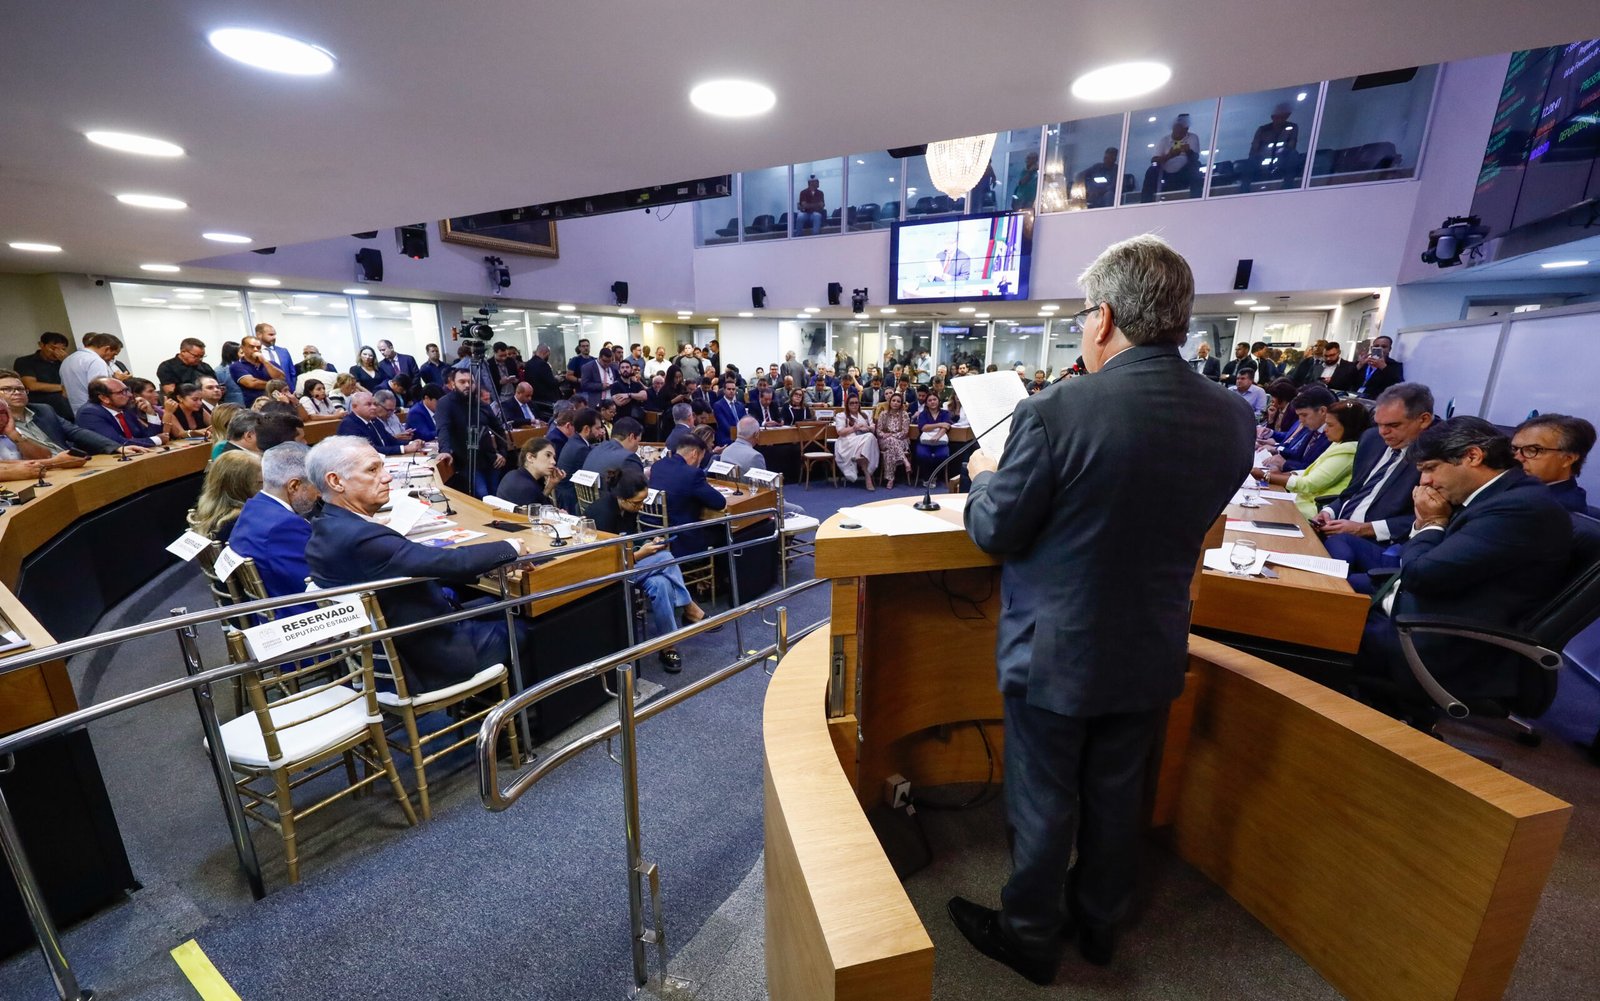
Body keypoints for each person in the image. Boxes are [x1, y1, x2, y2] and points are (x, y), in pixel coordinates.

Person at [949, 234, 1254, 986]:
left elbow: (995, 529)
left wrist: (985, 474)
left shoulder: (1059, 409)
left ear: (1106, 316)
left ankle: (1029, 937)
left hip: (1056, 647)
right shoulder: (1233, 416)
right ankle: (1100, 924)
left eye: (1086, 314)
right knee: (1120, 793)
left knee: (1046, 799)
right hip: (1152, 639)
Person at [1353, 417, 1572, 721]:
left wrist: (1428, 524)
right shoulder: (1495, 496)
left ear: (1472, 456)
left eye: (1431, 468)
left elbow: (1421, 575)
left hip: (1437, 639)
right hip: (1420, 609)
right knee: (1318, 592)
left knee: (1308, 625)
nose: (1425, 482)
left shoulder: (1519, 509)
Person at [303, 436, 529, 693]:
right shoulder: (362, 537)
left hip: (397, 643)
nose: (387, 477)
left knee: (497, 603)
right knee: (530, 625)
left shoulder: (326, 525)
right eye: (372, 470)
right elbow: (450, 561)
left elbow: (419, 564)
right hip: (425, 659)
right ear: (336, 481)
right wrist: (512, 547)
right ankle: (521, 721)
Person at [1314, 382, 1435, 589]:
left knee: (1336, 553)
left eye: (1393, 425)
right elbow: (1354, 491)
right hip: (1337, 529)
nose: (1383, 432)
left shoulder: (1435, 457)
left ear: (1423, 420)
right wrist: (1329, 512)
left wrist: (1365, 529)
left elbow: (1429, 518)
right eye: (1379, 424)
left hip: (1381, 544)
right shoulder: (1371, 439)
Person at [590, 464, 706, 672]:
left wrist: (647, 544)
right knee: (665, 557)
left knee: (661, 584)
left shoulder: (626, 508)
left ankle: (667, 645)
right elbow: (607, 563)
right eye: (638, 502)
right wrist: (640, 554)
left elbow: (629, 541)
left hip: (628, 566)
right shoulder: (603, 515)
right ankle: (689, 607)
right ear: (623, 498)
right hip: (608, 576)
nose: (641, 506)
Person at [228, 442, 319, 614]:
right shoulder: (283, 527)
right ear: (294, 486)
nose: (319, 494)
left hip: (272, 606)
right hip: (298, 616)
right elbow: (316, 582)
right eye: (316, 485)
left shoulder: (253, 507)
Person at [1254, 400, 1371, 517]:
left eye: (1330, 425)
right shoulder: (1339, 443)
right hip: (1301, 501)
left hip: (1311, 510)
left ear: (1348, 426)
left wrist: (1266, 476)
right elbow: (1312, 471)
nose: (1325, 430)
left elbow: (1309, 484)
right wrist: (1288, 474)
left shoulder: (1348, 450)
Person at [0, 369, 124, 455]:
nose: (16, 392)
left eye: (20, 389)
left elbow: (76, 432)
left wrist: (116, 447)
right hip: (36, 471)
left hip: (69, 462)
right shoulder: (2, 423)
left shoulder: (43, 410)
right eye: (7, 389)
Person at [648, 434, 727, 561]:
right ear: (695, 453)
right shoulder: (692, 474)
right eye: (701, 458)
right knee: (724, 530)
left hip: (653, 532)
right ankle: (722, 578)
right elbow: (719, 502)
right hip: (680, 539)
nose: (699, 464)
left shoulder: (658, 466)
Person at [1512, 414, 1594, 513]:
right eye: (1514, 449)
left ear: (1568, 459)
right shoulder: (1523, 487)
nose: (1517, 458)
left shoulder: (1552, 508)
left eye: (1532, 450)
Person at [187, 449, 262, 543]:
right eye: (260, 482)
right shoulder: (243, 521)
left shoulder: (209, 508)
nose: (265, 487)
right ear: (242, 486)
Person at [76, 378, 166, 447]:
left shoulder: (125, 409)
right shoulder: (89, 413)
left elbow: (147, 436)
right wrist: (157, 440)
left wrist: (151, 413)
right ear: (104, 398)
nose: (130, 395)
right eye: (122, 392)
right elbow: (116, 442)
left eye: (127, 390)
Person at [1140, 113, 1204, 202]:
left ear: (1186, 130)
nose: (1178, 134)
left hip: (1184, 173)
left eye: (1182, 131)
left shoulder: (1192, 137)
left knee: (1195, 165)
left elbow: (1195, 158)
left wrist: (1188, 151)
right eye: (1176, 130)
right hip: (1166, 174)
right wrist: (1169, 155)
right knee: (1151, 170)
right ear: (1173, 129)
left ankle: (1197, 198)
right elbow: (1154, 161)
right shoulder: (1164, 140)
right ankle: (1145, 201)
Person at [1238, 102, 1300, 192]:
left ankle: (1288, 184)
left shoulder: (1292, 127)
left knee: (1293, 155)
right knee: (1250, 162)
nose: (1280, 120)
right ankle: (1244, 189)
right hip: (1262, 159)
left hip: (1283, 158)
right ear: (1272, 117)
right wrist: (1261, 155)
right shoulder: (1263, 130)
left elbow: (1291, 145)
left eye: (1283, 116)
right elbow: (1254, 148)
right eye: (1278, 117)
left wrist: (1281, 151)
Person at [338, 391, 423, 457]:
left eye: (374, 404)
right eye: (368, 404)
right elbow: (369, 450)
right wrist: (403, 449)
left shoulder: (374, 420)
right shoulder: (348, 425)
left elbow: (391, 440)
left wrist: (411, 443)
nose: (374, 407)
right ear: (354, 407)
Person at [13, 332, 72, 419]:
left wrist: (68, 361)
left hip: (65, 399)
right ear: (41, 345)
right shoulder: (25, 361)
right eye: (53, 348)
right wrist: (63, 387)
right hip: (40, 400)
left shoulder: (64, 361)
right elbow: (31, 385)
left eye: (62, 349)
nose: (57, 352)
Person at [60, 332, 122, 413]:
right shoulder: (96, 361)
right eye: (113, 354)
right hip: (98, 412)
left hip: (78, 412)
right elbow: (101, 393)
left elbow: (64, 393)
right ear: (106, 349)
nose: (112, 358)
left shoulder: (67, 360)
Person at [555, 411, 604, 511]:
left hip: (564, 493)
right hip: (572, 501)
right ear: (586, 429)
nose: (601, 432)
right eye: (597, 428)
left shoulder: (575, 441)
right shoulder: (580, 449)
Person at [497, 436, 563, 508]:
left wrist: (549, 487)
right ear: (530, 457)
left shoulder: (512, 474)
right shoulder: (527, 488)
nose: (553, 462)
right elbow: (538, 516)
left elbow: (537, 503)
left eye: (553, 457)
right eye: (548, 455)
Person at [833, 394, 879, 488]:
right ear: (847, 405)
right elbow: (840, 432)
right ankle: (867, 475)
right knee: (869, 438)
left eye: (856, 403)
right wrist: (854, 428)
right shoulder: (842, 415)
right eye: (851, 403)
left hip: (864, 439)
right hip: (848, 441)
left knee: (870, 437)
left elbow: (873, 429)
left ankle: (859, 457)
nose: (854, 405)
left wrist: (866, 428)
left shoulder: (865, 414)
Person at [229, 335, 284, 408]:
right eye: (251, 347)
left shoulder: (270, 363)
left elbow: (282, 378)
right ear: (242, 348)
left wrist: (264, 361)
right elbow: (252, 383)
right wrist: (274, 385)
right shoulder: (236, 366)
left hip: (278, 403)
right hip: (256, 406)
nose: (255, 349)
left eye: (258, 347)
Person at [913, 391, 954, 483]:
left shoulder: (945, 413)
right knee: (922, 455)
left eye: (934, 399)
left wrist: (937, 436)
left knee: (942, 455)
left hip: (940, 442)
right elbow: (923, 427)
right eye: (930, 400)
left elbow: (946, 426)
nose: (932, 402)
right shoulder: (923, 414)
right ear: (926, 403)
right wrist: (939, 424)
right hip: (925, 442)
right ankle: (927, 477)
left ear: (938, 401)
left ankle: (934, 476)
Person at [874, 392, 912, 488]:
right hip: (884, 440)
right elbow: (878, 431)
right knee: (890, 441)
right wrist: (885, 435)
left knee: (890, 450)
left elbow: (905, 432)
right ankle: (905, 461)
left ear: (901, 404)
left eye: (898, 401)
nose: (895, 403)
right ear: (890, 402)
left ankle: (890, 479)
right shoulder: (883, 414)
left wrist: (892, 436)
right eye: (893, 401)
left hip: (901, 441)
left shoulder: (904, 415)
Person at [524, 344, 562, 416]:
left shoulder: (528, 364)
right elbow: (551, 383)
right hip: (546, 399)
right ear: (545, 353)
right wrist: (558, 380)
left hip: (534, 398)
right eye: (548, 354)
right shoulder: (543, 364)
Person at [712, 379, 746, 446]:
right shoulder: (718, 405)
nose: (731, 391)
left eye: (733, 389)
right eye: (729, 389)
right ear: (724, 390)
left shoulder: (740, 405)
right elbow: (724, 425)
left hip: (741, 436)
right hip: (726, 437)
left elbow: (745, 421)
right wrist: (740, 434)